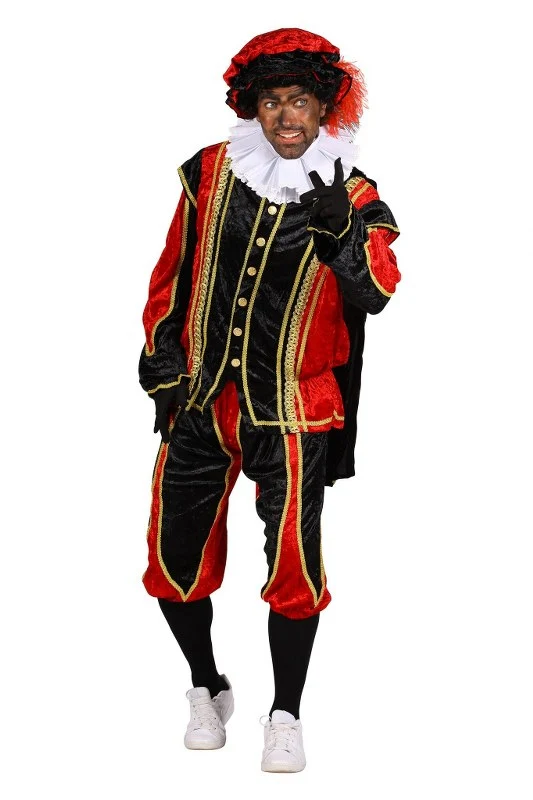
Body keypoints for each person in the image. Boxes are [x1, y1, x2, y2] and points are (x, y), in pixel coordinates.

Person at [139, 27, 401, 773]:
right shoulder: (210, 172)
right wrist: (164, 366)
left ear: (325, 109)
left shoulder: (355, 195)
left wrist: (341, 236)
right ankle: (206, 686)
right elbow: (170, 276)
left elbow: (377, 292)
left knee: (293, 565)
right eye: (273, 101)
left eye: (301, 101)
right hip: (199, 404)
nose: (287, 116)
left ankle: (285, 712)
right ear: (253, 108)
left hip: (292, 410)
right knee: (172, 556)